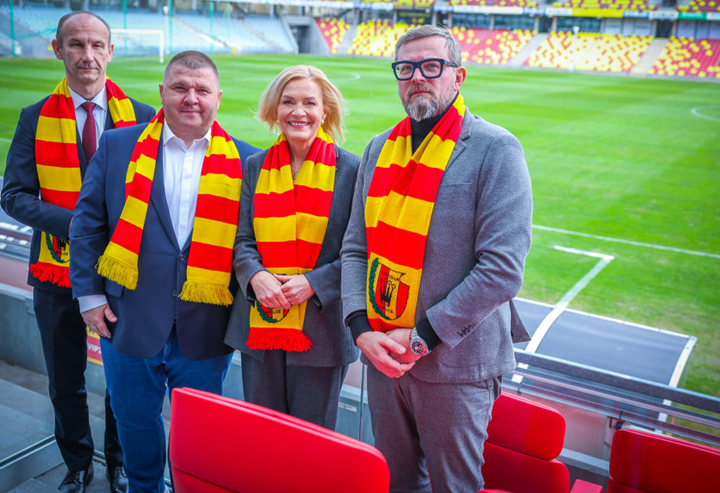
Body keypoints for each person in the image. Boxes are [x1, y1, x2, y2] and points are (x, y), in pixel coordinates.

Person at [340, 26, 533, 493]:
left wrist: (421, 337)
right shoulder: (378, 148)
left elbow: (502, 269)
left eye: (431, 66)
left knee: (454, 486)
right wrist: (360, 328)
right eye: (405, 69)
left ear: (458, 76)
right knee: (397, 482)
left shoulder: (495, 149)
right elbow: (355, 248)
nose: (417, 78)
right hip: (384, 357)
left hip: (456, 365)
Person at [68, 50, 259, 493]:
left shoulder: (248, 161)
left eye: (202, 90)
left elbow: (250, 244)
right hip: (127, 319)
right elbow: (87, 224)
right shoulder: (119, 146)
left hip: (206, 325)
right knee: (134, 422)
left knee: (200, 432)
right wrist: (90, 298)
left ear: (218, 97)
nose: (191, 98)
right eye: (180, 87)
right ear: (161, 92)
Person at [1, 11, 155, 493]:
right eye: (76, 44)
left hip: (121, 273)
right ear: (57, 49)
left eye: (96, 45)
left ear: (111, 51)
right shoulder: (34, 118)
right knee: (64, 379)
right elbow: (13, 195)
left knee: (124, 380)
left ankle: (120, 462)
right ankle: (78, 464)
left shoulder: (146, 117)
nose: (87, 55)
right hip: (56, 272)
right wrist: (78, 226)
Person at [224, 66, 359, 430]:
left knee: (310, 440)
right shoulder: (255, 166)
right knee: (263, 434)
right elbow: (243, 240)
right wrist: (256, 276)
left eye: (309, 103)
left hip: (322, 329)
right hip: (260, 319)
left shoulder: (353, 170)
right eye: (288, 102)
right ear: (275, 109)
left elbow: (358, 251)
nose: (299, 112)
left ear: (324, 111)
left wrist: (314, 282)